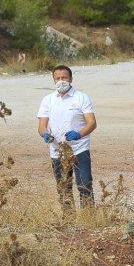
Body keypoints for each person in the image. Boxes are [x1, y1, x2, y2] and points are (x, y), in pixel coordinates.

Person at [37, 65, 97, 211]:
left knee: (84, 183)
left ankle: (89, 216)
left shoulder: (81, 97)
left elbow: (92, 123)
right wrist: (45, 134)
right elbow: (41, 125)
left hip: (79, 148)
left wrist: (79, 134)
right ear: (53, 80)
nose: (61, 81)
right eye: (57, 78)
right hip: (57, 151)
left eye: (64, 78)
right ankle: (68, 217)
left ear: (70, 78)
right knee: (63, 185)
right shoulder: (48, 100)